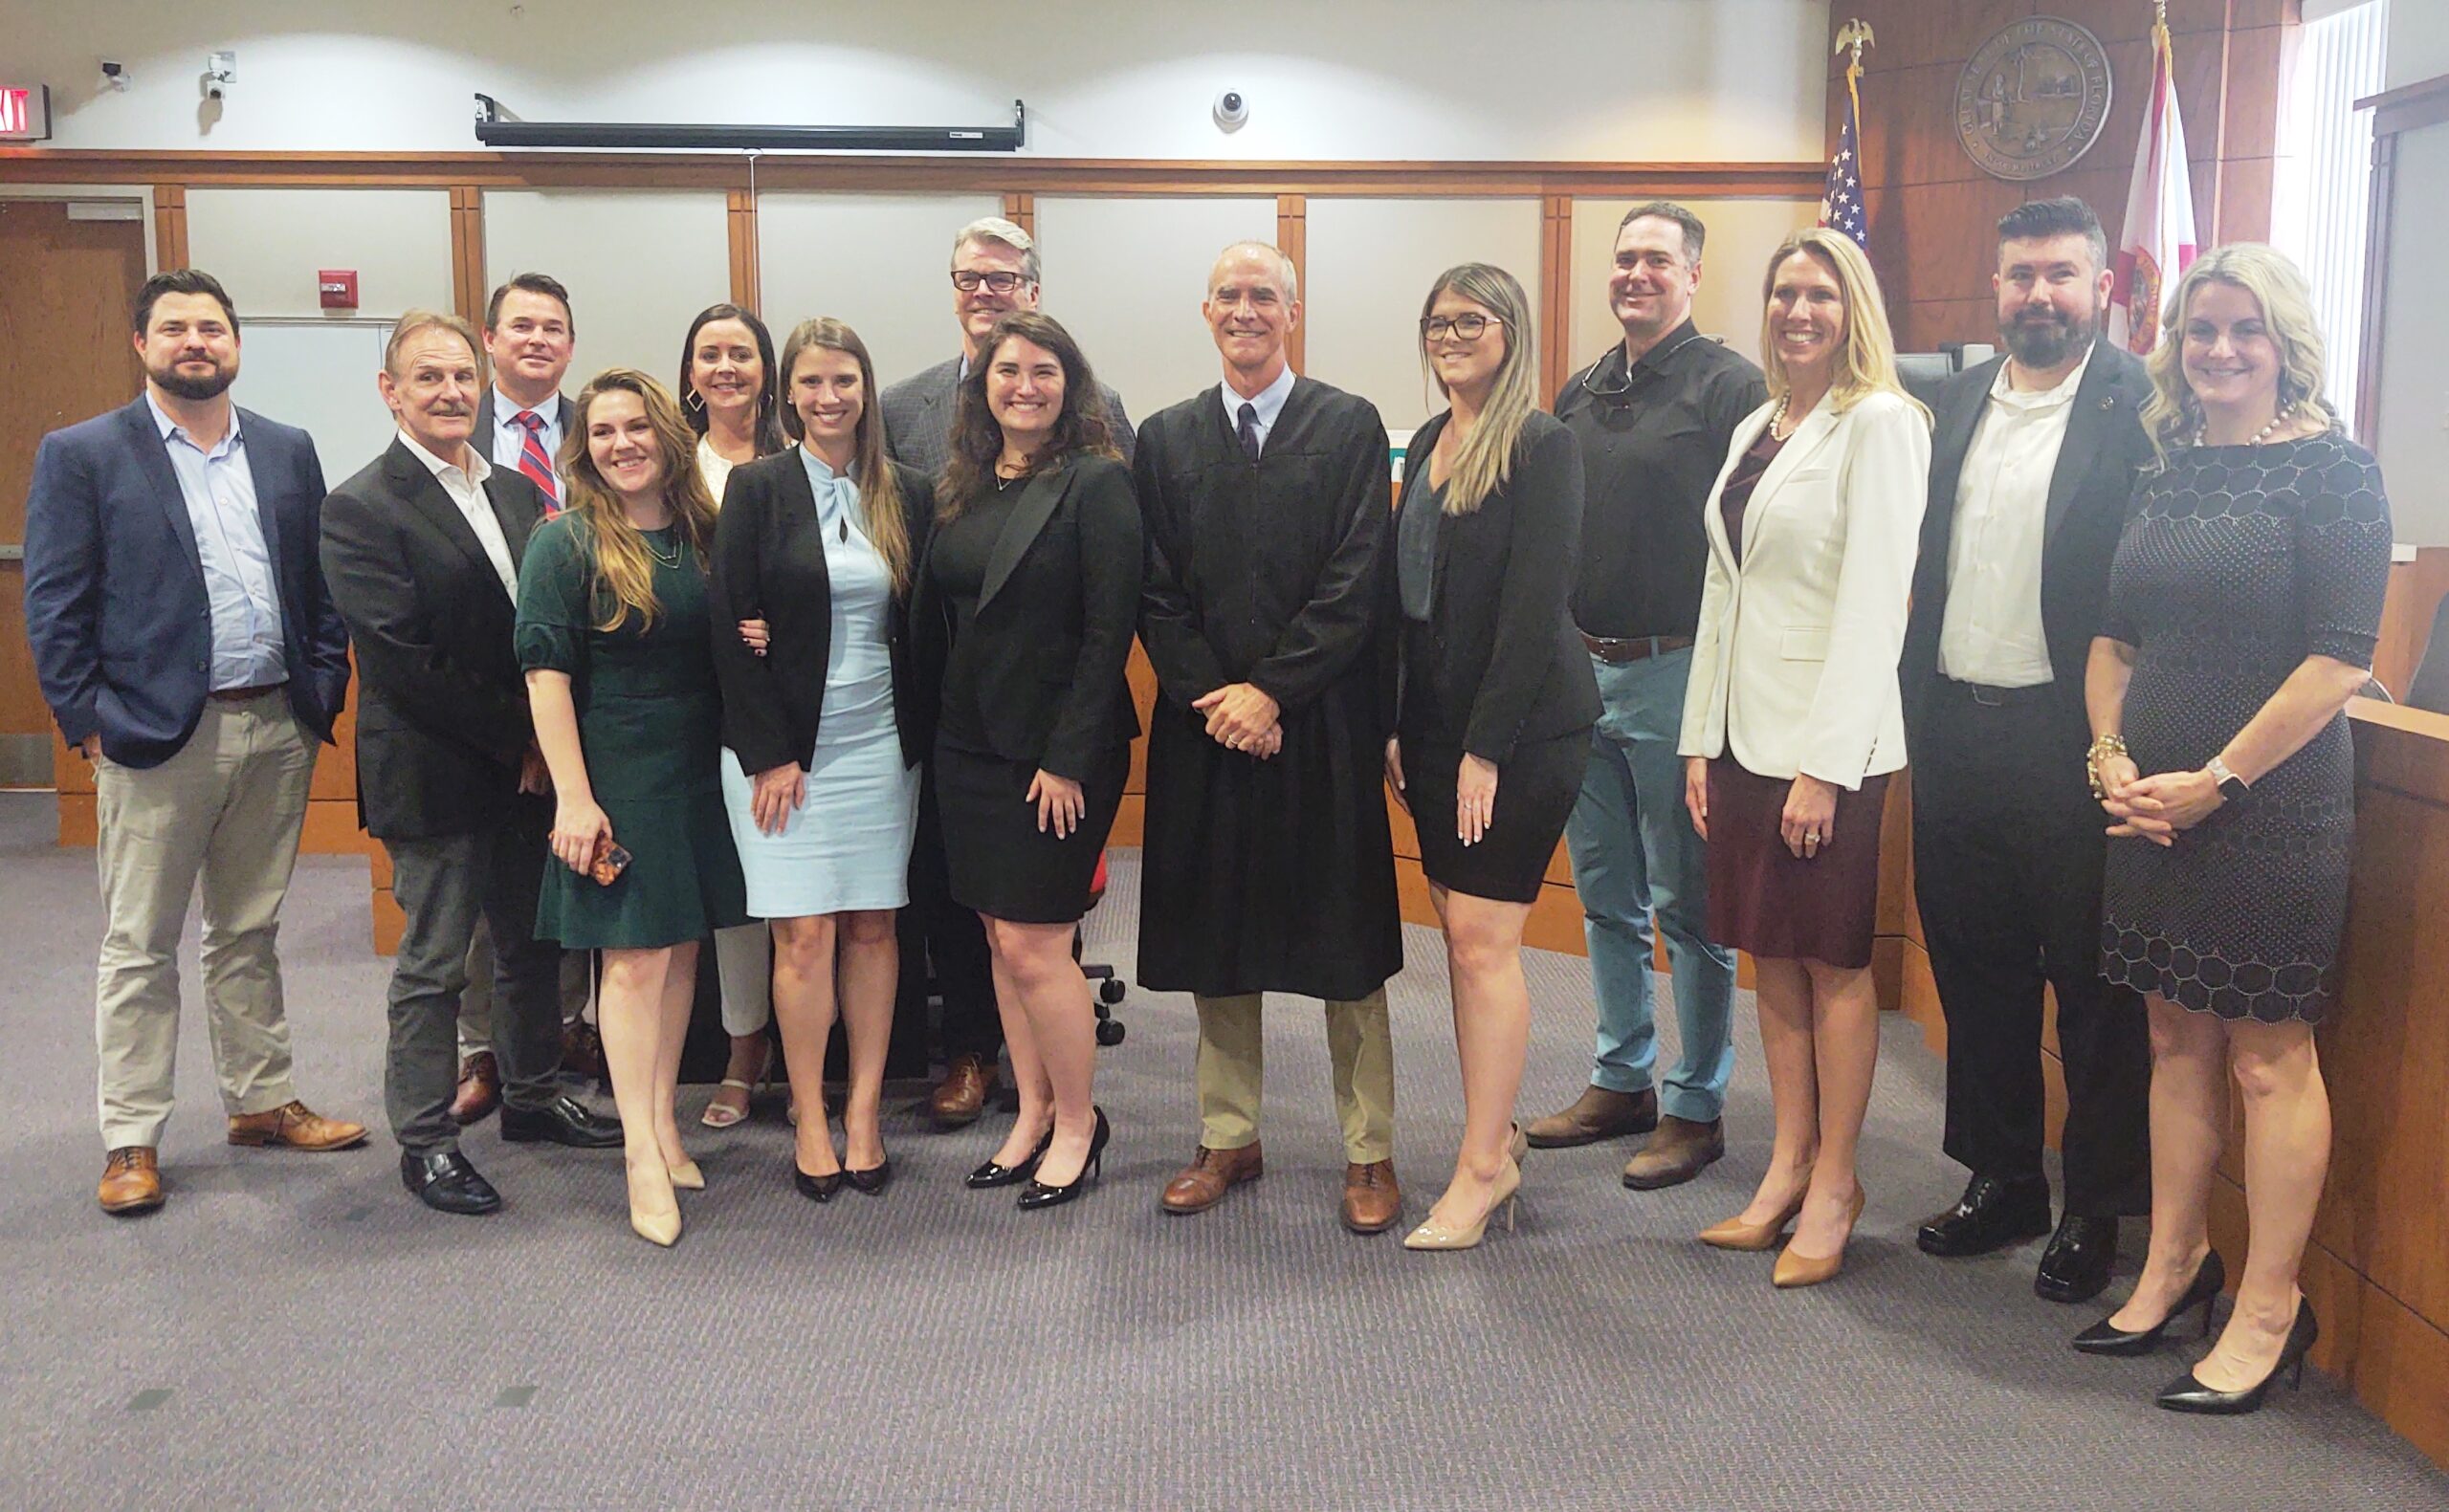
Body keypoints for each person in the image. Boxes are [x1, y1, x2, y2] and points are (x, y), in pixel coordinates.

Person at [2077, 244, 2391, 1414]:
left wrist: (2217, 778)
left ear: (2284, 344)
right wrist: (2109, 756)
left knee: (2267, 1058)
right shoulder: (2163, 474)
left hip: (2271, 808)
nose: (2218, 350)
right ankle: (2172, 1263)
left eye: (2243, 331)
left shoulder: (2334, 473)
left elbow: (2341, 660)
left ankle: (2269, 1307)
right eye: (2200, 330)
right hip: (2148, 810)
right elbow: (2113, 639)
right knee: (2171, 1042)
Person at [23, 267, 365, 1215]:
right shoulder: (85, 454)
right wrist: (87, 722)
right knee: (139, 944)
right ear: (142, 345)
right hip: (156, 735)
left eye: (211, 327)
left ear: (237, 344)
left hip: (275, 721)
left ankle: (260, 1101)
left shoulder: (288, 450)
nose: (195, 342)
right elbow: (54, 603)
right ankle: (131, 1138)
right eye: (174, 328)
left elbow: (318, 584)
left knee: (248, 930)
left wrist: (322, 685)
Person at [1900, 198, 2154, 1304]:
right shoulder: (1949, 401)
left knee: (2093, 986)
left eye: (2059, 275)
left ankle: (2096, 1205)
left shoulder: (2140, 406)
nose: (2036, 296)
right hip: (1954, 726)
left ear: (2101, 287)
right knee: (1975, 966)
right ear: (1994, 289)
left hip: (2076, 737)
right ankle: (2004, 1177)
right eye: (2018, 277)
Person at [320, 311, 623, 1216]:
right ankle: (424, 1138)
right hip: (438, 769)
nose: (450, 393)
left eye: (460, 378)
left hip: (523, 770)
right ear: (391, 391)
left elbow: (541, 629)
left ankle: (530, 1098)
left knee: (532, 948)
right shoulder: (360, 505)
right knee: (437, 963)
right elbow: (403, 659)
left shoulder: (518, 495)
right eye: (428, 378)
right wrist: (521, 739)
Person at [1136, 241, 1406, 1234]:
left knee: (1345, 946)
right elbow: (1154, 591)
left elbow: (1356, 583)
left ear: (1291, 313)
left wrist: (1272, 694)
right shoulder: (1164, 440)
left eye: (1264, 297)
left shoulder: (1347, 427)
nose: (1245, 311)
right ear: (1206, 313)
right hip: (1206, 732)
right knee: (1219, 939)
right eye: (1229, 297)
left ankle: (1370, 1151)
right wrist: (1218, 697)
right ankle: (1227, 1134)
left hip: (1318, 727)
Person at [1680, 228, 1931, 1287]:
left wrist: (1824, 767)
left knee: (1831, 963)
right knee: (1767, 955)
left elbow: (1878, 607)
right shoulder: (1756, 423)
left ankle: (1836, 1180)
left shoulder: (1879, 422)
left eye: (1819, 294)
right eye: (1782, 291)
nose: (1796, 310)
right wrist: (1700, 737)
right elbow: (1722, 590)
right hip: (1743, 736)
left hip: (1827, 746)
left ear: (1852, 307)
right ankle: (1784, 1163)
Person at [880, 216, 1136, 1129]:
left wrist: (1067, 751)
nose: (1022, 386)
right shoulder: (957, 474)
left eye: (1041, 372)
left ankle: (1076, 1124)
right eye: (1006, 374)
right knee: (993, 935)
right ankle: (1028, 1111)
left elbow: (1111, 621)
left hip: (1052, 745)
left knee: (1032, 942)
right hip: (966, 743)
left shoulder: (1099, 471)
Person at [1530, 201, 1762, 1191]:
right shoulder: (1581, 388)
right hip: (1585, 667)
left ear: (1692, 275)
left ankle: (1695, 1102)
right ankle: (1619, 1075)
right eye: (1623, 259)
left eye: (1655, 260)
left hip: (1678, 671)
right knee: (1605, 896)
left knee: (1687, 901)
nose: (1635, 274)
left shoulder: (1728, 386)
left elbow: (1751, 543)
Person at [1386, 265, 1598, 1250]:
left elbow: (1531, 607)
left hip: (1517, 731)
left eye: (1471, 320)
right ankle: (1492, 1139)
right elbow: (1412, 598)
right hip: (1430, 730)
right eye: (1437, 321)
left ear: (1510, 331)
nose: (1451, 335)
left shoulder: (1540, 443)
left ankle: (1480, 1170)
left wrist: (1484, 749)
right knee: (1458, 936)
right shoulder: (1430, 439)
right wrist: (1398, 722)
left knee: (1483, 940)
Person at [518, 368, 749, 1246]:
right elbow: (546, 679)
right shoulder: (565, 541)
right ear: (586, 446)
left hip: (697, 767)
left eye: (637, 428)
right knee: (634, 964)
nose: (622, 444)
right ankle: (638, 1156)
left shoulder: (702, 533)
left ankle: (663, 1125)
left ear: (667, 436)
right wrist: (575, 797)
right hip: (616, 774)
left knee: (681, 949)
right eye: (604, 431)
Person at [709, 318, 932, 1199]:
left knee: (875, 926)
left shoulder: (905, 492)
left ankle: (865, 1109)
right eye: (810, 382)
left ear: (866, 389)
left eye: (844, 380)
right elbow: (730, 622)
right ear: (786, 393)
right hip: (785, 757)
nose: (828, 397)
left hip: (880, 743)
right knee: (803, 934)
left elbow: (922, 622)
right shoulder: (757, 489)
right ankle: (808, 1110)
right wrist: (769, 754)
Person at [453, 271, 592, 1124]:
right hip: (483, 698)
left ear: (570, 345)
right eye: (521, 327)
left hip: (586, 687)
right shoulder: (449, 429)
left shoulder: (602, 432)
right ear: (490, 339)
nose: (537, 339)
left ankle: (562, 1027)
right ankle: (483, 1048)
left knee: (574, 866)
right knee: (485, 895)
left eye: (553, 328)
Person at [680, 301, 790, 1129]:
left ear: (766, 370)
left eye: (742, 354)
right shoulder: (669, 467)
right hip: (695, 700)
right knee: (734, 887)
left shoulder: (805, 458)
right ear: (690, 373)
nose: (726, 367)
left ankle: (811, 1043)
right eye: (710, 354)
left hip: (797, 700)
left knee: (802, 884)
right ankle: (744, 1042)